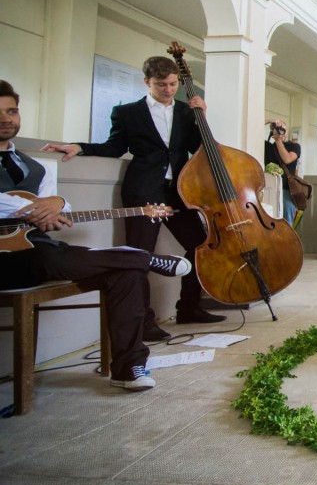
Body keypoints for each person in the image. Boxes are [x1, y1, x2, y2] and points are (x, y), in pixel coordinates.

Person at [1, 80, 191, 391]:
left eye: (12, 110)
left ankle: (128, 367)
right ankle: (145, 258)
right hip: (8, 263)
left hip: (37, 250)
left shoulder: (38, 167)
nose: (6, 118)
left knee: (124, 274)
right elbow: (24, 206)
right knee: (53, 255)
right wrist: (33, 206)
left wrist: (59, 204)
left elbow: (50, 214)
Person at [42, 55, 224, 339]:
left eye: (173, 83)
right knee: (140, 255)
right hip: (143, 191)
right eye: (161, 84)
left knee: (201, 245)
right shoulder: (127, 112)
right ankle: (143, 322)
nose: (169, 89)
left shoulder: (187, 112)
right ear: (147, 82)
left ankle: (189, 308)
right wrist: (80, 147)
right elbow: (114, 147)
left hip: (179, 192)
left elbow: (199, 149)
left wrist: (202, 118)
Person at [264, 118, 302, 225]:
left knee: (286, 223)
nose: (281, 132)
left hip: (287, 191)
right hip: (269, 189)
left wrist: (278, 140)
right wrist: (268, 120)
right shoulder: (268, 146)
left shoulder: (294, 146)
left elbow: (287, 159)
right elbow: (251, 128)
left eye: (283, 129)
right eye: (278, 128)